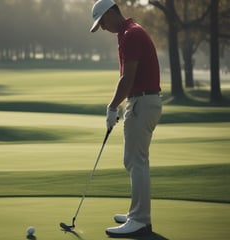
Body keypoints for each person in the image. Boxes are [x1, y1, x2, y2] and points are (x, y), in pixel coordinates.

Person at [90, 0, 162, 238]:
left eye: (102, 22)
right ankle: (137, 215)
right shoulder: (129, 32)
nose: (102, 28)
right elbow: (128, 80)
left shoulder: (130, 34)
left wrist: (112, 107)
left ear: (112, 12)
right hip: (143, 101)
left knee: (135, 161)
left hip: (142, 101)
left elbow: (126, 79)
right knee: (136, 160)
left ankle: (140, 220)